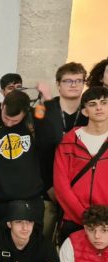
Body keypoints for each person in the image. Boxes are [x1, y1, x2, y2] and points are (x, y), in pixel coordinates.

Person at [36, 62, 88, 242]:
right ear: (58, 84)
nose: (74, 85)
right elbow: (38, 152)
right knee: (43, 240)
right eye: (68, 81)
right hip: (48, 187)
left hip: (80, 190)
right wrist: (48, 185)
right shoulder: (44, 109)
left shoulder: (90, 112)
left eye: (78, 80)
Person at [54, 86, 108, 243]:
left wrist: (102, 220)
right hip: (74, 219)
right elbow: (61, 184)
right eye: (92, 104)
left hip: (106, 222)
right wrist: (83, 216)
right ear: (85, 111)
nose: (99, 107)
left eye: (104, 102)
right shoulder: (69, 141)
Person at [0, 89, 44, 230]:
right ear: (2, 105)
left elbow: (53, 138)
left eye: (15, 120)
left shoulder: (33, 122)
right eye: (6, 118)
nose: (9, 124)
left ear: (26, 113)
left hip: (30, 199)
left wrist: (46, 99)